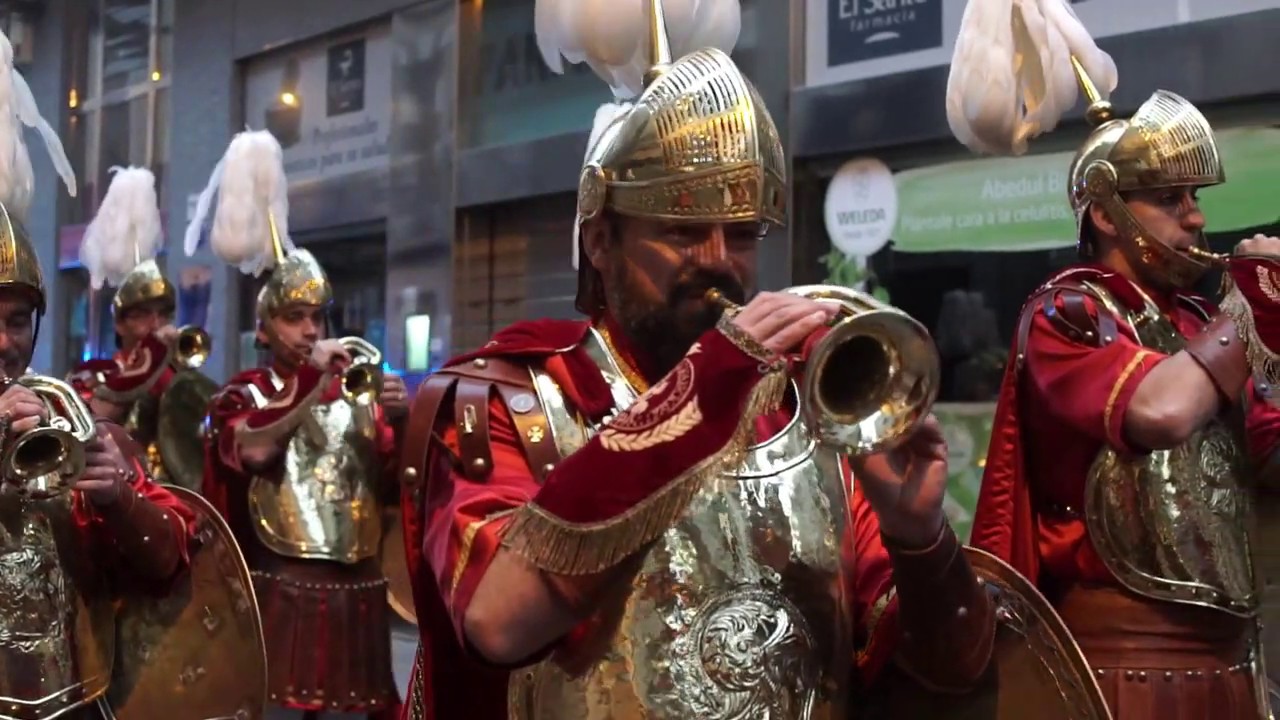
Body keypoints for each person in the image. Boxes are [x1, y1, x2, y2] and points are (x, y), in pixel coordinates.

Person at [393, 3, 1019, 719]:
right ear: (600, 242)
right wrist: (708, 389)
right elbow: (498, 622)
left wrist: (919, 538)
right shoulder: (511, 402)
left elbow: (950, 670)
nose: (719, 262)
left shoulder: (808, 414)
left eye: (744, 233)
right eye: (684, 231)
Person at [950, 2, 1280, 716]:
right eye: (1170, 199)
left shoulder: (1196, 320)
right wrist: (1248, 311)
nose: (1195, 217)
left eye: (1193, 197)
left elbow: (1267, 458)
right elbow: (1160, 412)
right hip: (1116, 672)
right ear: (1106, 213)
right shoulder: (1066, 313)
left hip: (1234, 664)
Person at [0, 28, 268, 719]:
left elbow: (167, 557)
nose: (3, 341)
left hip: (72, 699)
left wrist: (120, 497)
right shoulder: (96, 378)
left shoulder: (62, 407)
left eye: (17, 319)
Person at [192, 129, 409, 720]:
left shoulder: (352, 387)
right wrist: (315, 388)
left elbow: (391, 484)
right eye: (295, 319)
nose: (312, 332)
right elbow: (254, 453)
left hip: (361, 604)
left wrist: (401, 416)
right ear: (265, 330)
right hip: (282, 602)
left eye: (317, 318)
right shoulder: (242, 393)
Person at [70, 166, 215, 491]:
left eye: (163, 313)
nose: (156, 323)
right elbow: (90, 420)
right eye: (143, 314)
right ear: (120, 323)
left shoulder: (177, 372)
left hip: (178, 499)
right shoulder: (95, 372)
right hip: (118, 494)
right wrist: (148, 361)